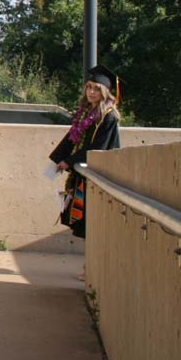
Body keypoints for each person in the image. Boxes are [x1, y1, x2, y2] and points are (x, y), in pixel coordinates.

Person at [49, 65, 122, 238]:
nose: (91, 92)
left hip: (97, 174)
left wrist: (68, 161)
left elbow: (96, 148)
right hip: (82, 172)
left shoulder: (108, 116)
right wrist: (59, 159)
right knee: (80, 219)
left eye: (97, 89)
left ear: (105, 92)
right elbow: (72, 138)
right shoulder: (87, 113)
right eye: (89, 87)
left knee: (89, 220)